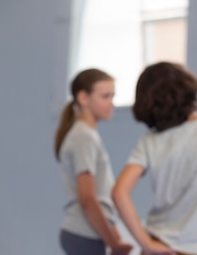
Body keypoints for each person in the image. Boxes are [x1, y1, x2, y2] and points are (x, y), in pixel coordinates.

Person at [112, 62, 197, 255]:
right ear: (188, 91)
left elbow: (119, 192)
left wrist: (146, 244)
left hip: (157, 245)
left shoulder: (150, 141)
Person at [54, 68, 133, 255]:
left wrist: (113, 234)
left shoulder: (87, 135)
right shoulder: (83, 137)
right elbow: (88, 199)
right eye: (105, 97)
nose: (111, 104)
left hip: (88, 234)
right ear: (83, 98)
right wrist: (113, 242)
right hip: (84, 234)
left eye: (112, 96)